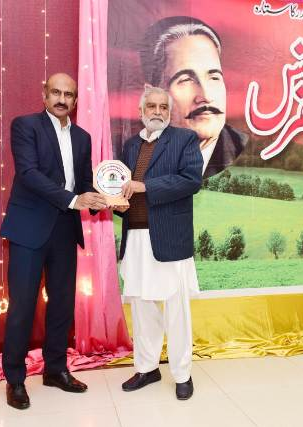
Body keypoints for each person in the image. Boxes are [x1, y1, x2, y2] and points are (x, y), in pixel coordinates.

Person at [0, 73, 108, 410]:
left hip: (64, 229)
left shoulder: (83, 137)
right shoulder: (25, 126)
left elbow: (84, 182)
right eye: (56, 92)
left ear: (75, 100)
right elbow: (29, 174)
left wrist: (106, 199)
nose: (62, 99)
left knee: (61, 305)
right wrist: (74, 200)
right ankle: (15, 379)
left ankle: (56, 370)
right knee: (22, 307)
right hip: (29, 228)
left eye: (69, 94)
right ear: (44, 94)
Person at [113, 85, 202, 400]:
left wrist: (145, 186)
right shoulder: (130, 145)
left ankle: (182, 374)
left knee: (177, 310)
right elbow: (124, 187)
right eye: (151, 106)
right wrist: (115, 201)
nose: (157, 112)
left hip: (169, 238)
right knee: (142, 308)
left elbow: (191, 180)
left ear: (170, 112)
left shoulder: (184, 139)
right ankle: (147, 368)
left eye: (163, 107)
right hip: (136, 237)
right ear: (141, 112)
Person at [140, 16, 248, 178]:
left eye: (214, 77)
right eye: (186, 80)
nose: (206, 96)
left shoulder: (248, 152)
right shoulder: (132, 154)